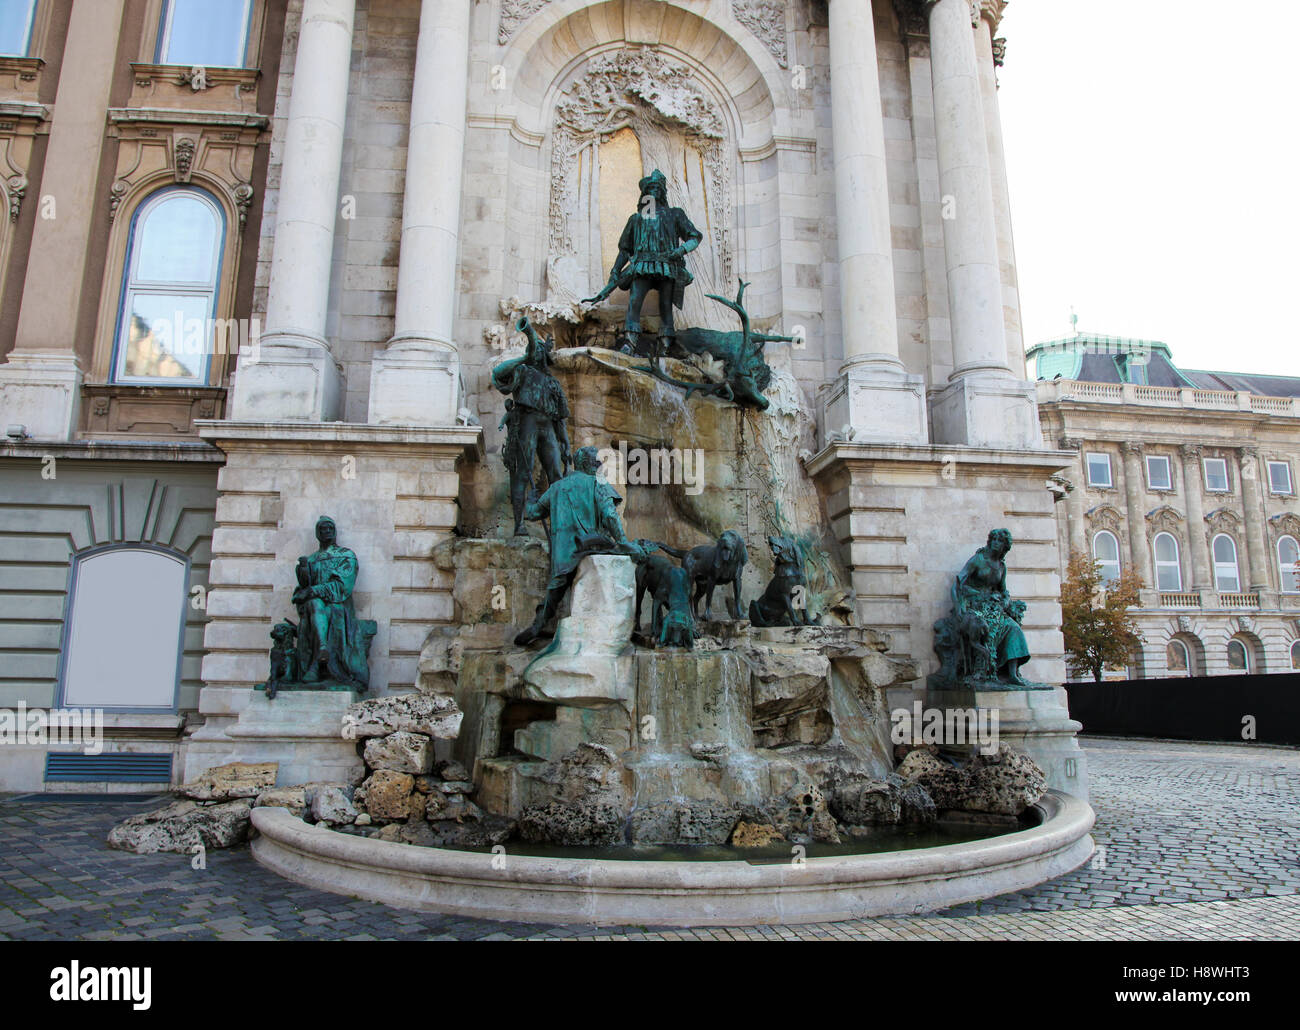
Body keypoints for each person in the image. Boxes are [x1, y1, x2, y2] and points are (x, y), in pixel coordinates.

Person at [514, 447, 645, 646]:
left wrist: (530, 499)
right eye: (596, 462)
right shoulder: (597, 482)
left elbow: (532, 513)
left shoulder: (557, 487)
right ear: (586, 464)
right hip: (592, 547)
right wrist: (624, 543)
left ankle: (538, 624)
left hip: (564, 555)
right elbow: (610, 515)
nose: (599, 465)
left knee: (555, 588)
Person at [585, 168, 703, 356]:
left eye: (657, 188)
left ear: (663, 192)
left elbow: (695, 236)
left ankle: (665, 345)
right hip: (642, 266)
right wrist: (615, 270)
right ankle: (630, 343)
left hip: (666, 265)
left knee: (665, 305)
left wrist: (681, 250)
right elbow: (625, 249)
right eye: (649, 188)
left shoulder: (675, 214)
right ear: (644, 194)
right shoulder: (636, 219)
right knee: (635, 301)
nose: (653, 191)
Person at [492, 317, 571, 535]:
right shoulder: (522, 372)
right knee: (521, 474)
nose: (535, 353)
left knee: (556, 475)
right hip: (526, 422)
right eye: (532, 351)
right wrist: (523, 358)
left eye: (537, 351)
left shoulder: (552, 383)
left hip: (548, 427)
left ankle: (558, 527)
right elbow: (497, 375)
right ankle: (519, 524)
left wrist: (566, 447)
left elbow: (561, 420)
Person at [292, 516, 373, 688]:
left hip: (339, 606)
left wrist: (313, 591)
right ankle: (322, 649)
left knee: (320, 606)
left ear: (334, 531)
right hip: (315, 609)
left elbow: (342, 586)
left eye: (329, 528)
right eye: (323, 529)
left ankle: (317, 660)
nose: (327, 532)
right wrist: (303, 571)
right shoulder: (312, 559)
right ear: (317, 533)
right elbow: (303, 588)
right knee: (314, 604)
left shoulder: (346, 556)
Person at [952, 528, 1032, 685]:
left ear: (1005, 546)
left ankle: (1012, 673)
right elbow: (958, 583)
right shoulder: (978, 559)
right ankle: (981, 670)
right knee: (987, 626)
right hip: (973, 605)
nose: (996, 543)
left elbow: (1003, 590)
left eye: (1000, 541)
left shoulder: (1001, 567)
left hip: (993, 607)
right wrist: (958, 606)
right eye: (994, 539)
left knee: (1014, 628)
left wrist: (1005, 600)